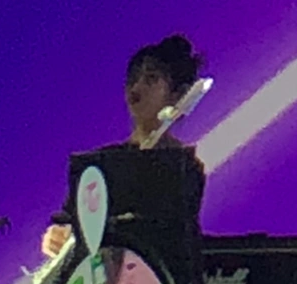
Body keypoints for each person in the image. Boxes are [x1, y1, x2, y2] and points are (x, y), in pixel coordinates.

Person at [41, 34, 206, 261]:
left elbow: (176, 243)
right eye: (132, 79)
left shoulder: (185, 167)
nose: (136, 87)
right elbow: (68, 221)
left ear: (177, 94)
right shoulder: (100, 162)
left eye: (151, 79)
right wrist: (58, 235)